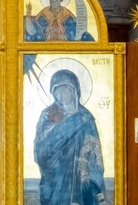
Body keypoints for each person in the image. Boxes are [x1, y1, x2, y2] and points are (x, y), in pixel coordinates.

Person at [33, 70, 105, 205]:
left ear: (74, 92)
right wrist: (64, 128)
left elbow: (95, 150)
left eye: (65, 89)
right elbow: (40, 149)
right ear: (53, 94)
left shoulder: (85, 117)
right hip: (56, 179)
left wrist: (93, 178)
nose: (62, 94)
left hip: (81, 179)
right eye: (57, 90)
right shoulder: (48, 115)